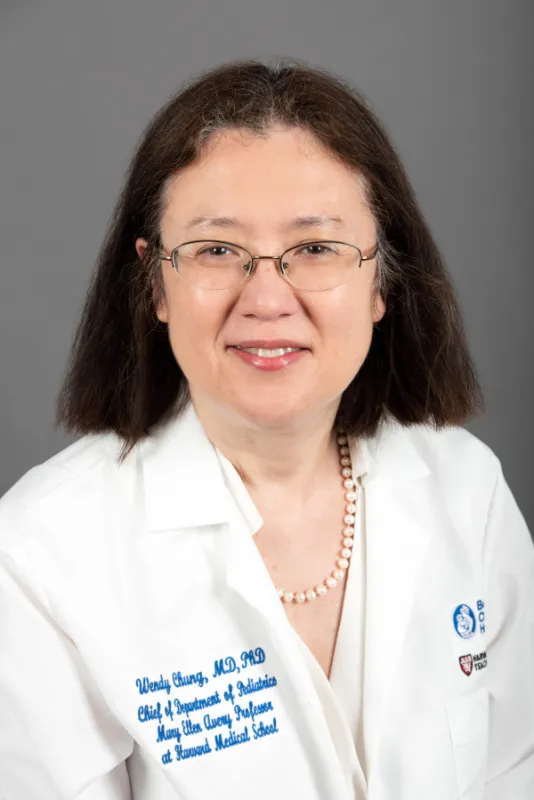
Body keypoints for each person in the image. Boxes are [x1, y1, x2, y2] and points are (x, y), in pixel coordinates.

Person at [0, 57, 532, 800]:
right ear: (155, 283)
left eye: (316, 248)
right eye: (218, 250)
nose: (268, 298)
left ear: (383, 282)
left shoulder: (468, 493)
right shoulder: (39, 556)